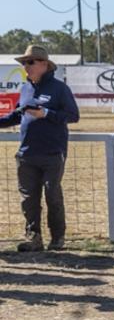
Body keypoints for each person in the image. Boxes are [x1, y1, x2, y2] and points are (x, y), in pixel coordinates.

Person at [0, 44, 79, 251]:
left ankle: (57, 238)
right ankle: (33, 237)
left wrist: (47, 114)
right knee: (28, 199)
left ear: (44, 64)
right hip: (27, 153)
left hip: (52, 153)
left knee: (52, 195)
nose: (26, 66)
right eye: (24, 62)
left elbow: (73, 116)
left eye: (30, 62)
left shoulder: (60, 89)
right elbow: (17, 115)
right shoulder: (25, 88)